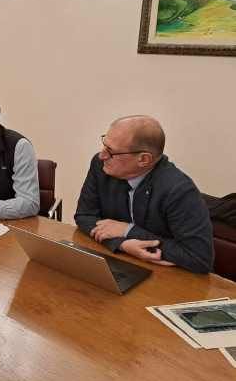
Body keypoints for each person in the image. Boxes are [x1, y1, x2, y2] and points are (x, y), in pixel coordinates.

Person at [75, 115, 214, 274]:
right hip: (119, 265)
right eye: (104, 145)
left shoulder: (179, 190)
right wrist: (123, 244)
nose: (102, 155)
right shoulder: (100, 165)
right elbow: (84, 216)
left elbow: (199, 258)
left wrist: (129, 231)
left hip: (168, 279)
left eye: (111, 152)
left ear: (143, 159)